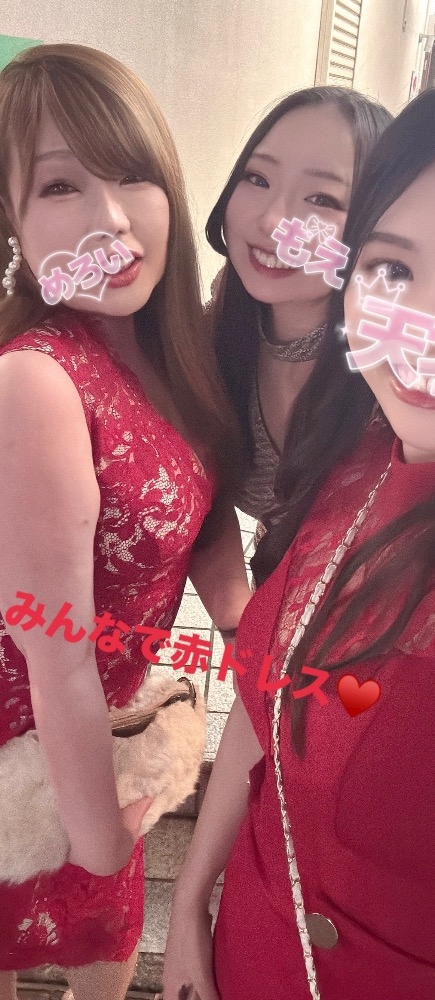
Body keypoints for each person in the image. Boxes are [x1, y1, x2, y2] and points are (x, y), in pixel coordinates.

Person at [163, 68, 435, 1000]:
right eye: (393, 268)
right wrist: (191, 904)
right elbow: (266, 695)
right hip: (241, 945)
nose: (429, 328)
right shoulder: (355, 452)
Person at [0, 43, 250, 1000]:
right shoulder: (37, 379)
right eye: (61, 185)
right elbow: (53, 649)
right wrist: (102, 842)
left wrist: (253, 633)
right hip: (27, 751)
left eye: (132, 175)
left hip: (109, 733)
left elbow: (201, 512)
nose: (110, 218)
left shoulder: (171, 350)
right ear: (15, 221)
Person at [206, 86, 391, 524]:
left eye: (322, 200)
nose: (273, 221)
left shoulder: (394, 377)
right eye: (258, 178)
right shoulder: (219, 321)